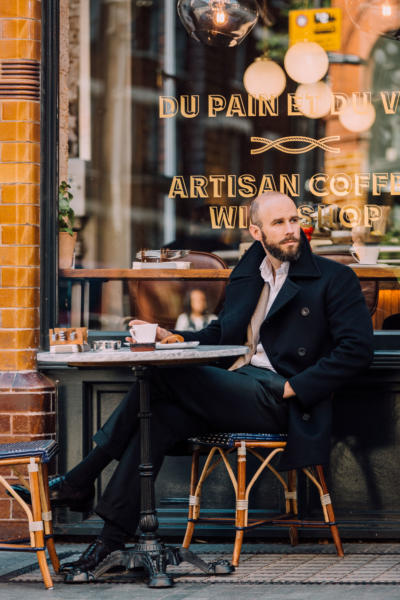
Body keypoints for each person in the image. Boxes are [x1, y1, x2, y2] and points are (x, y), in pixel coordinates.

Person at [12, 191, 374, 579]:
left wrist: (295, 388)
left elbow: (357, 350)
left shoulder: (333, 278)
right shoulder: (249, 273)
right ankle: (108, 542)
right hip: (237, 384)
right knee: (159, 418)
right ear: (256, 231)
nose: (291, 231)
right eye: (278, 223)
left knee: (161, 373)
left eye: (293, 221)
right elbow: (225, 332)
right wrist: (180, 341)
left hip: (283, 399)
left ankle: (82, 477)